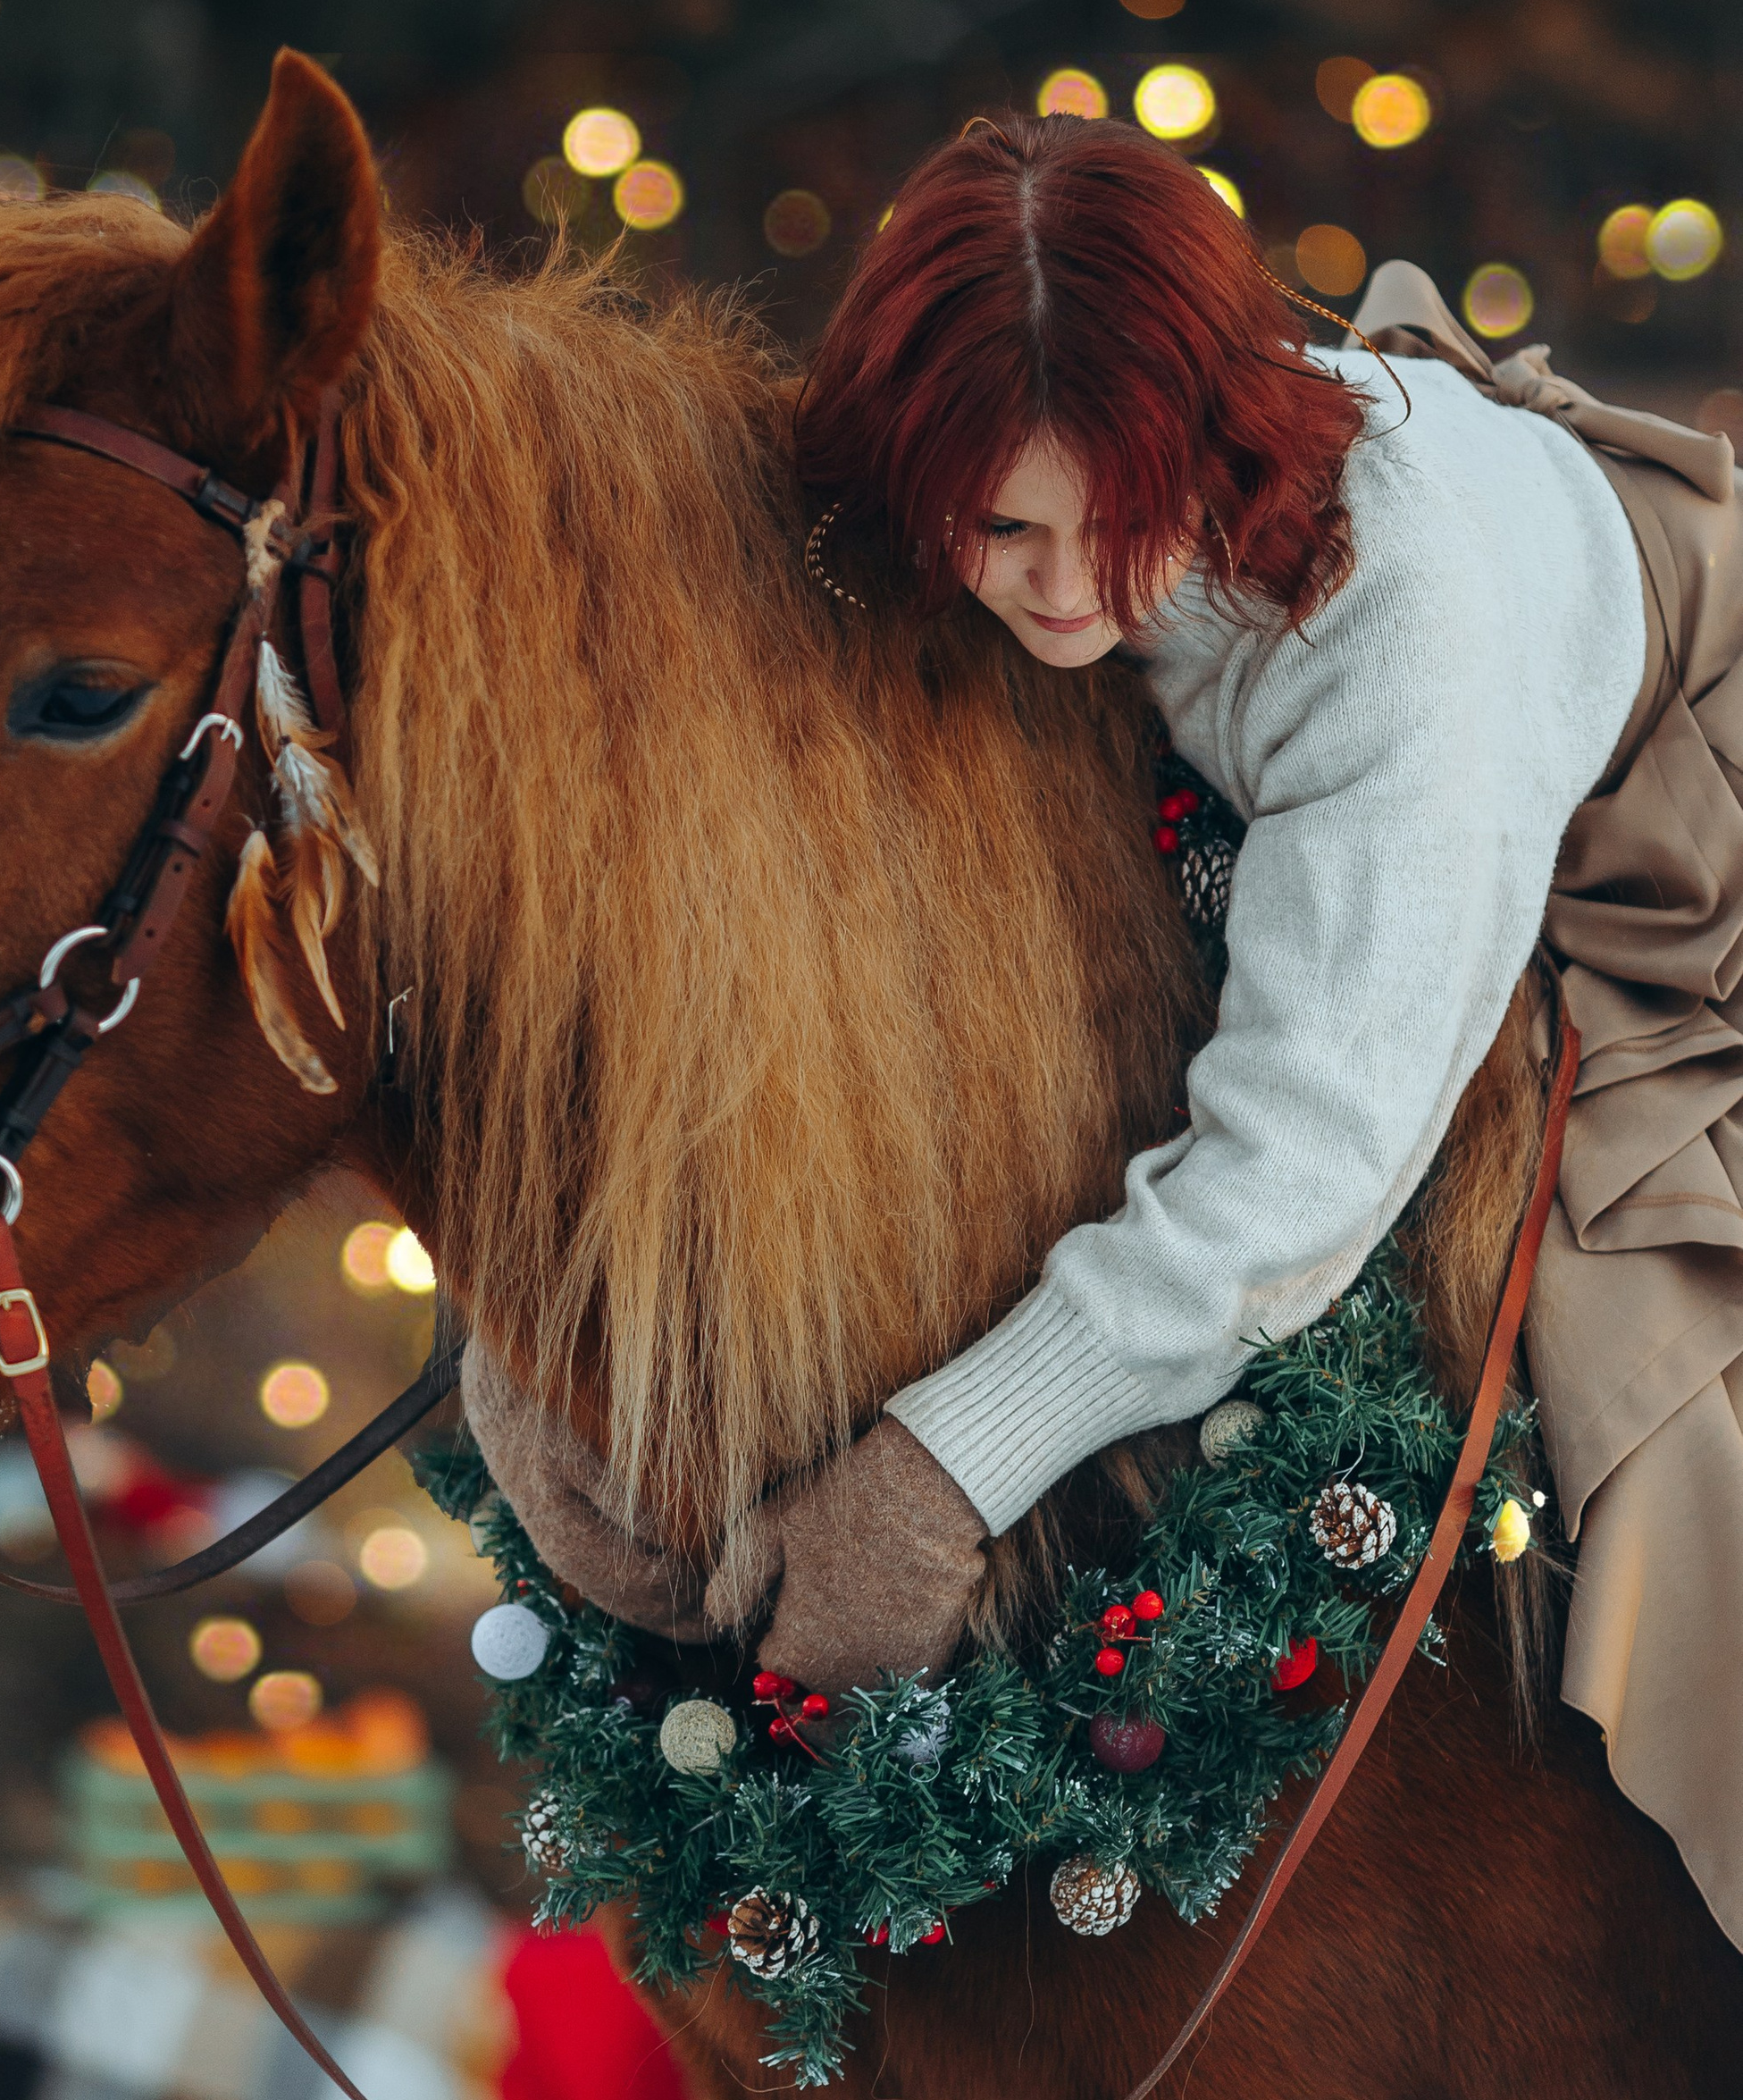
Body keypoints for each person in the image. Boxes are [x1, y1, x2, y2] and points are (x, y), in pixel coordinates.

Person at [467, 109, 1743, 1951]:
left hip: (1673, 859)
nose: (1057, 590)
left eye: (1115, 523)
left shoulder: (1402, 628)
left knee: (1664, 1454)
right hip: (1285, 810)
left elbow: (1296, 1174)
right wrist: (541, 1308)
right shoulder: (932, 531)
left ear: (1209, 448)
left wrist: (934, 1474)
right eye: (996, 526)